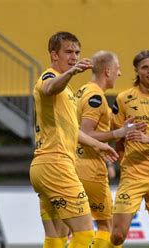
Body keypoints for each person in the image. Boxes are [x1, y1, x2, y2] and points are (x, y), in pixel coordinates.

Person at [30, 31, 118, 248]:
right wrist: (70, 72)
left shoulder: (67, 91)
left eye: (77, 52)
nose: (74, 56)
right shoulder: (49, 77)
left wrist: (100, 145)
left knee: (56, 237)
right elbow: (50, 87)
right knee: (85, 232)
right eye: (68, 52)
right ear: (54, 55)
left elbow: (71, 130)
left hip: (42, 167)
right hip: (56, 165)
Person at [75, 51, 144, 248]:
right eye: (117, 69)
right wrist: (120, 132)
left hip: (74, 166)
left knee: (77, 229)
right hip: (89, 170)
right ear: (107, 71)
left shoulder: (82, 91)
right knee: (108, 227)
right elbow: (85, 133)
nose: (119, 73)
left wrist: (116, 128)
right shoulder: (96, 97)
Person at [110, 50, 149, 248]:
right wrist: (120, 161)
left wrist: (147, 138)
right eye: (145, 67)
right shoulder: (124, 99)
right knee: (118, 235)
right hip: (132, 175)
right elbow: (117, 135)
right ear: (137, 70)